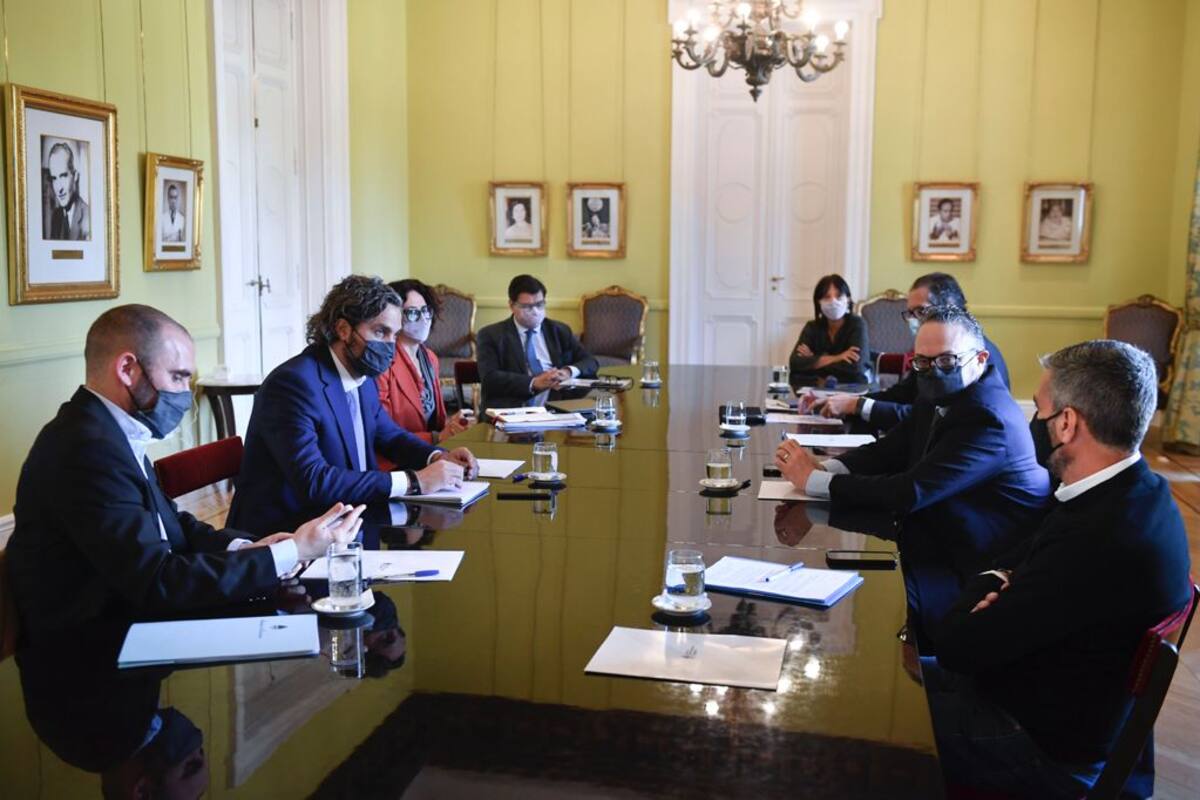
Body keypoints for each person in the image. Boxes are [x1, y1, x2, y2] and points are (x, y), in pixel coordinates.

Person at [926, 340, 1192, 799]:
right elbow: (1013, 558)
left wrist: (990, 589)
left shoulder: (1097, 540)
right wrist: (997, 583)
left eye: (1041, 411)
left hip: (1041, 749)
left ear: (1067, 423)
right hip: (1062, 707)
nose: (1035, 422)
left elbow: (957, 647)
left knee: (877, 724)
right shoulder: (1139, 491)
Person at [6, 305, 366, 640]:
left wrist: (248, 548)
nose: (184, 394)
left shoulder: (105, 428)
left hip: (135, 623)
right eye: (178, 378)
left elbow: (173, 523)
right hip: (92, 651)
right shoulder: (85, 449)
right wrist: (289, 553)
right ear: (127, 369)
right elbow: (157, 581)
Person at [775, 306, 1050, 610]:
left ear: (980, 358)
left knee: (856, 601)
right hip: (932, 533)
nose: (933, 370)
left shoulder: (988, 418)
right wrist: (822, 467)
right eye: (923, 361)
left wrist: (814, 480)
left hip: (973, 567)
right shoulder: (941, 391)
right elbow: (889, 449)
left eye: (947, 360)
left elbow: (910, 492)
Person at [228, 276, 479, 536]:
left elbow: (389, 436)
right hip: (287, 534)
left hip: (350, 522)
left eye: (395, 334)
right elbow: (315, 480)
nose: (390, 346)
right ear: (344, 329)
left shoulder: (362, 375)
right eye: (380, 332)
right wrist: (415, 481)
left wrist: (438, 457)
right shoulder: (293, 384)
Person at [816, 272, 1010, 431]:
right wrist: (851, 401)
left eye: (920, 311)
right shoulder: (934, 349)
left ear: (948, 308)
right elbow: (903, 393)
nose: (913, 320)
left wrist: (857, 405)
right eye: (910, 313)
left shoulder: (970, 357)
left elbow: (925, 417)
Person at [375, 279, 472, 458]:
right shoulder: (382, 363)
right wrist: (435, 438)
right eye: (412, 313)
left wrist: (452, 424)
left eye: (426, 310)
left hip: (431, 454)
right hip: (396, 461)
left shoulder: (430, 358)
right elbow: (381, 433)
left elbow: (433, 421)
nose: (424, 319)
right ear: (394, 316)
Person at [475, 274, 599, 410]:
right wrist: (534, 382)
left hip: (558, 406)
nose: (535, 312)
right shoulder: (490, 335)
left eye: (539, 305)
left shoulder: (559, 330)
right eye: (526, 307)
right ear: (511, 305)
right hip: (513, 408)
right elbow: (490, 378)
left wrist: (568, 371)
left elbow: (590, 362)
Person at [788, 274, 870, 385]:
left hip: (852, 388)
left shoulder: (857, 324)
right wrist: (837, 358)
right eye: (827, 297)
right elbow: (795, 363)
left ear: (848, 300)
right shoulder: (812, 327)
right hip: (816, 388)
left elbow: (855, 368)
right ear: (818, 302)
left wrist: (814, 360)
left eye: (839, 296)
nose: (833, 302)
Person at [43, 141, 90, 241]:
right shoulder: (56, 217)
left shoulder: (88, 217)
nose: (59, 189)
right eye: (54, 178)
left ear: (75, 176)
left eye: (63, 176)